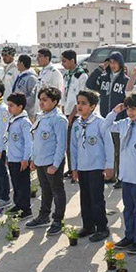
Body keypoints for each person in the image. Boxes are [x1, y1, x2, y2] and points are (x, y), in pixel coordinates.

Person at [103, 93, 136, 254]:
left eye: (134, 109)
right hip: (126, 176)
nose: (130, 112)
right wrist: (115, 112)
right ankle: (129, 236)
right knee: (128, 209)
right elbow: (105, 126)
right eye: (128, 109)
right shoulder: (125, 123)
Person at [70, 91, 114, 242]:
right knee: (85, 198)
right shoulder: (77, 124)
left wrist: (109, 166)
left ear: (93, 106)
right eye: (78, 102)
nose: (80, 106)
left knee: (96, 199)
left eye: (84, 103)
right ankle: (88, 226)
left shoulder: (100, 123)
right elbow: (73, 147)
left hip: (96, 166)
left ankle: (102, 228)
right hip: (82, 166)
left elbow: (109, 145)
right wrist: (74, 167)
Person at [26, 86, 68, 237]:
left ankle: (58, 220)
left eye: (45, 100)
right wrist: (33, 159)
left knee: (57, 190)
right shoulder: (40, 116)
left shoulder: (58, 120)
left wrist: (55, 165)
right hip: (40, 161)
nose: (41, 103)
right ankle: (44, 216)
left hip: (52, 162)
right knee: (45, 189)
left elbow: (61, 144)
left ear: (55, 102)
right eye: (40, 100)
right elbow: (35, 140)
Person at [86, 51, 129, 188]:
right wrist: (99, 69)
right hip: (105, 120)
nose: (113, 65)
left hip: (118, 120)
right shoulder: (104, 78)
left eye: (115, 62)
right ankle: (110, 174)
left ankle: (120, 177)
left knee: (118, 150)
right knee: (107, 149)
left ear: (121, 64)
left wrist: (123, 115)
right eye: (110, 62)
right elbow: (90, 84)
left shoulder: (125, 80)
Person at [61, 49, 88, 181]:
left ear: (72, 60)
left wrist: (72, 115)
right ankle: (71, 168)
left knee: (76, 144)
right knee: (68, 144)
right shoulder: (67, 75)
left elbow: (80, 98)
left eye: (64, 61)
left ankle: (77, 170)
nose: (63, 64)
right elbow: (65, 93)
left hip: (76, 114)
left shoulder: (81, 76)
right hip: (66, 112)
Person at [6, 92, 33, 220]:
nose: (9, 108)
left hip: (21, 160)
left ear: (20, 107)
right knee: (16, 184)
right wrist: (7, 156)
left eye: (11, 105)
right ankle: (18, 205)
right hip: (12, 158)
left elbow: (29, 143)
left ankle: (26, 209)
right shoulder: (12, 120)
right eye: (8, 105)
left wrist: (25, 159)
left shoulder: (24, 122)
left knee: (23, 185)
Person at [35, 48, 63, 113]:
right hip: (40, 109)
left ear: (47, 58)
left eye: (40, 56)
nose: (37, 59)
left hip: (50, 110)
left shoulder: (54, 72)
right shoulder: (42, 72)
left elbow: (57, 93)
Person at [11, 54, 37, 120]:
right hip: (17, 110)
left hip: (26, 112)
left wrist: (21, 105)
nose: (17, 64)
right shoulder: (20, 75)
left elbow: (32, 96)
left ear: (22, 63)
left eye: (18, 62)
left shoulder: (31, 78)